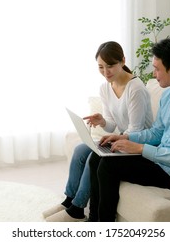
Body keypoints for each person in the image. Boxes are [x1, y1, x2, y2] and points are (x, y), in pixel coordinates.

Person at [88, 36, 170, 222]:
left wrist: (140, 148)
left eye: (157, 69)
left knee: (109, 167)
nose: (153, 74)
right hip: (160, 161)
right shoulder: (169, 96)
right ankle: (93, 222)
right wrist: (125, 137)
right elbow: (157, 132)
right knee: (98, 156)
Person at [43, 41, 153, 222]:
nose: (106, 72)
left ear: (122, 61)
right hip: (122, 138)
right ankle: (69, 200)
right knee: (80, 150)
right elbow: (113, 124)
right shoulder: (105, 88)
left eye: (110, 66)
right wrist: (103, 121)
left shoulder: (136, 88)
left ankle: (77, 209)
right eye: (101, 67)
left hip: (136, 144)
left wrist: (114, 138)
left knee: (96, 155)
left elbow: (136, 129)